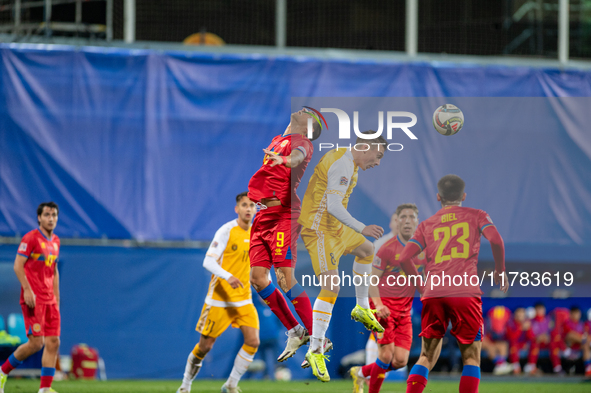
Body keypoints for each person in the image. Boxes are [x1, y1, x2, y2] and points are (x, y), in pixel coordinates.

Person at [397, 174, 508, 393]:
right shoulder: (477, 215)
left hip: (434, 291)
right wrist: (500, 270)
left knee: (426, 357)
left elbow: (403, 258)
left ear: (438, 197)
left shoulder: (427, 224)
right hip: (464, 292)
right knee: (471, 359)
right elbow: (495, 239)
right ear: (463, 196)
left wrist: (421, 286)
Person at [298, 131, 387, 382]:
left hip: (336, 229)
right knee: (332, 286)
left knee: (366, 250)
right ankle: (315, 349)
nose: (378, 162)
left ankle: (361, 307)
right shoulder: (343, 164)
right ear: (365, 147)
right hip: (319, 231)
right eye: (378, 156)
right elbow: (333, 206)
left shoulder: (352, 164)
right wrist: (362, 227)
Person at [248, 108, 323, 363]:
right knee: (258, 279)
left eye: (308, 113)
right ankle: (295, 330)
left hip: (284, 214)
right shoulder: (278, 139)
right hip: (262, 216)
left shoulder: (302, 143)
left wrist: (286, 160)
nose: (302, 110)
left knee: (284, 277)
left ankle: (317, 338)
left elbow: (298, 157)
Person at [177, 193, 259, 393]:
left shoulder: (258, 233)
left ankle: (231, 385)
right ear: (236, 209)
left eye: (252, 205)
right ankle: (185, 386)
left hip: (243, 299)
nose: (248, 209)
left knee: (253, 341)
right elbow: (208, 261)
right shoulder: (226, 230)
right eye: (244, 205)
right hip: (219, 300)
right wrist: (227, 276)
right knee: (205, 347)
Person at [351, 204, 423, 393]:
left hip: (405, 313)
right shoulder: (386, 249)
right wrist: (379, 304)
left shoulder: (423, 250)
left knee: (400, 361)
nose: (408, 220)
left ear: (417, 221)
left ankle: (362, 372)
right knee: (385, 355)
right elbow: (371, 280)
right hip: (384, 311)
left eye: (412, 217)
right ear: (397, 221)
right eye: (403, 217)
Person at [0, 202, 61, 393]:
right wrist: (27, 290)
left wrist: (57, 299)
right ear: (39, 218)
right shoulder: (31, 238)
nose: (51, 218)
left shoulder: (56, 241)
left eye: (54, 215)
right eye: (47, 215)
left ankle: (44, 389)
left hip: (50, 300)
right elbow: (18, 265)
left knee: (54, 342)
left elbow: (54, 270)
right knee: (36, 343)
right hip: (34, 300)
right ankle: (2, 372)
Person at [365, 212, 398, 366]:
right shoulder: (382, 244)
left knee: (396, 334)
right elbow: (370, 274)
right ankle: (370, 372)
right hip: (382, 296)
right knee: (380, 332)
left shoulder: (413, 245)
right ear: (391, 223)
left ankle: (385, 372)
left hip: (402, 298)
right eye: (396, 219)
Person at [524, 303, 562, 375]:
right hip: (536, 342)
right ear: (535, 310)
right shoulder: (530, 321)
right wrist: (537, 337)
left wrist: (547, 337)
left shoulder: (549, 320)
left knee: (554, 343)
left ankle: (557, 367)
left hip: (547, 342)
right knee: (534, 344)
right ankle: (532, 367)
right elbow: (529, 335)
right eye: (538, 309)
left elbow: (553, 332)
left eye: (541, 309)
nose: (540, 311)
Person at [481, 306, 513, 375]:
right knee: (489, 346)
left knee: (502, 345)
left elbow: (490, 334)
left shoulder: (485, 321)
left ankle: (500, 366)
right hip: (476, 342)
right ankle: (500, 364)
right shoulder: (472, 320)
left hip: (488, 341)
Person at [506, 307, 533, 374]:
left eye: (522, 314)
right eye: (519, 314)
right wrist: (521, 327)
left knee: (534, 343)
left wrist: (529, 328)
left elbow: (531, 337)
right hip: (513, 345)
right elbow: (512, 337)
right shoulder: (510, 323)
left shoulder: (527, 323)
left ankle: (531, 366)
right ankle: (516, 366)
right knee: (513, 344)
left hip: (523, 344)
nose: (520, 316)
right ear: (515, 315)